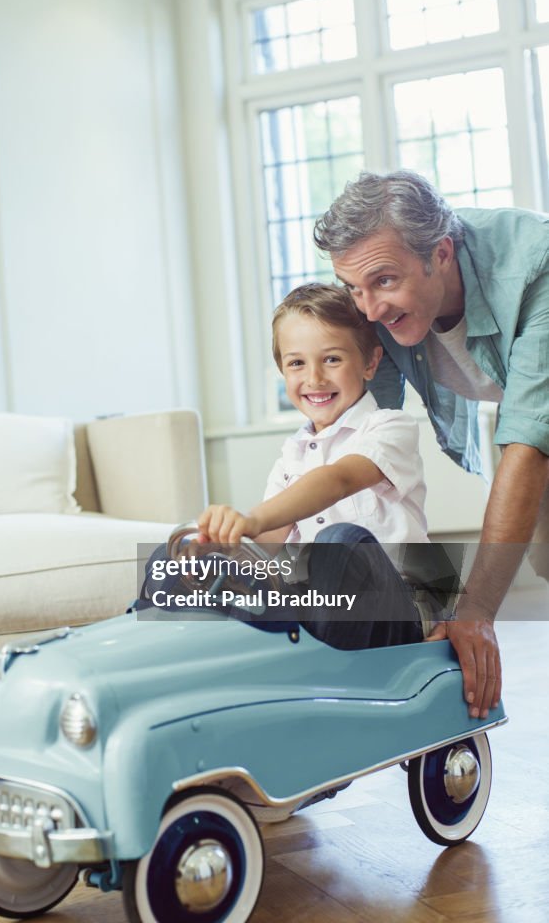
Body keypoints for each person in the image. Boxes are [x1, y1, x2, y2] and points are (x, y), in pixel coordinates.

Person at [313, 168, 549, 719]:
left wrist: (475, 612)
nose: (368, 310)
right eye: (353, 287)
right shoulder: (372, 289)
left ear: (441, 253)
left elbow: (529, 443)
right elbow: (360, 444)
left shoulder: (537, 265)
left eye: (385, 283)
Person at [197, 282, 449, 651]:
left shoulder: (389, 427)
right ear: (283, 371)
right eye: (297, 363)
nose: (314, 378)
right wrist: (224, 543)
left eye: (331, 359)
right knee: (214, 575)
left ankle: (307, 659)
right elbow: (267, 542)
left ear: (370, 363)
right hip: (323, 611)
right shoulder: (290, 457)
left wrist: (252, 517)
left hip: (398, 611)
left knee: (339, 543)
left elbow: (339, 479)